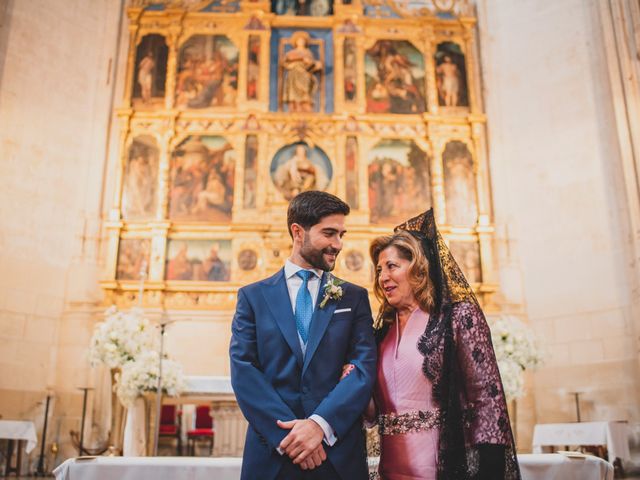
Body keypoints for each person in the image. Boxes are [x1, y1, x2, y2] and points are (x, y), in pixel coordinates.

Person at [230, 191, 377, 480]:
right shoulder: (253, 297)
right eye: (329, 233)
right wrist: (292, 436)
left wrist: (319, 426)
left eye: (341, 234)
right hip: (274, 453)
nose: (338, 244)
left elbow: (363, 368)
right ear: (298, 232)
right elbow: (244, 371)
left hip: (337, 455)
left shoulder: (353, 297)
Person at [368, 209, 520, 480]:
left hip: (438, 466)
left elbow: (485, 399)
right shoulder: (381, 333)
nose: (382, 277)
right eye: (379, 270)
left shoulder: (457, 318)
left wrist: (488, 469)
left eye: (392, 266)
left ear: (418, 267)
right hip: (389, 469)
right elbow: (375, 410)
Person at [281, 31, 322, 112]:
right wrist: (290, 65)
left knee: (306, 87)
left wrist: (313, 64)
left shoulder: (308, 52)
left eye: (302, 41)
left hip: (304, 73)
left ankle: (305, 105)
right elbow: (284, 62)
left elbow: (311, 64)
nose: (301, 42)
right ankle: (295, 106)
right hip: (294, 73)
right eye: (299, 40)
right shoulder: (291, 52)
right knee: (293, 89)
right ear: (296, 42)